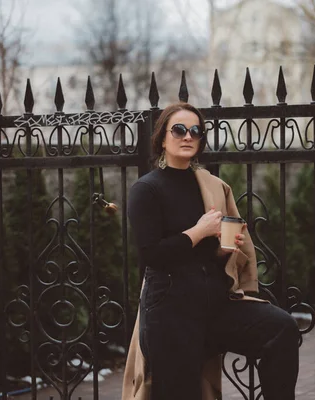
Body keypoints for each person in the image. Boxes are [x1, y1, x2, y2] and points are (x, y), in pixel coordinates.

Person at [121, 102, 299, 400]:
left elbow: (204, 255)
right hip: (170, 311)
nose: (187, 136)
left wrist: (224, 250)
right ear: (162, 138)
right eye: (179, 129)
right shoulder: (146, 190)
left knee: (281, 328)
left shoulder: (210, 185)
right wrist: (198, 232)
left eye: (195, 131)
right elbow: (152, 254)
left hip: (215, 304)